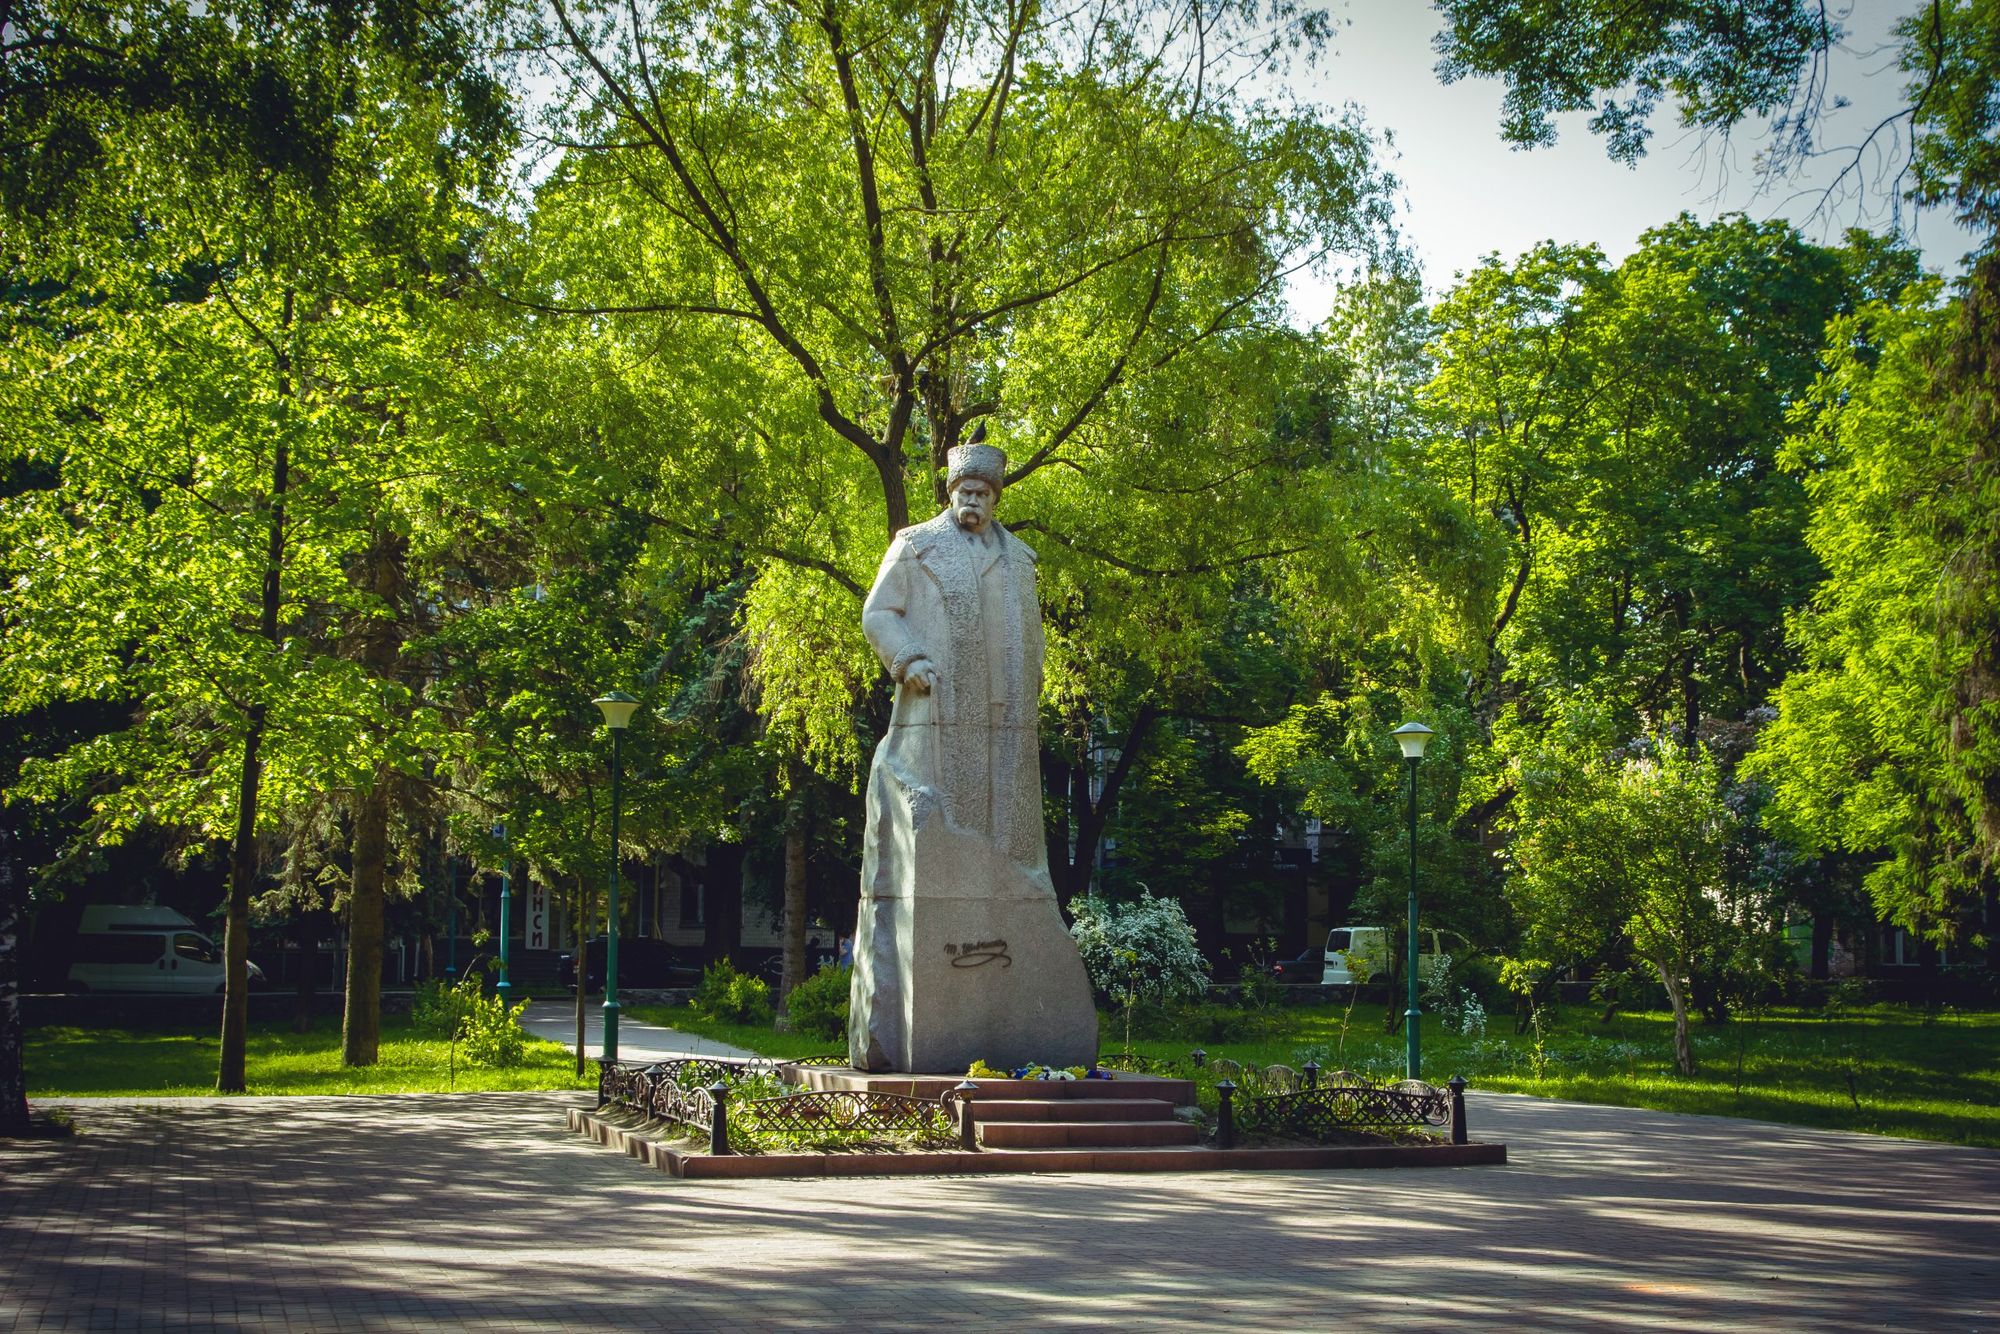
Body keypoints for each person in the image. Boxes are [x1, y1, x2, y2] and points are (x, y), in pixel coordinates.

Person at [847, 441, 1097, 1072]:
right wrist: (907, 659)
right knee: (942, 815)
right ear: (950, 493)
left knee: (1005, 826)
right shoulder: (915, 546)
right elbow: (879, 611)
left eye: (983, 495)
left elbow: (1032, 636)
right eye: (964, 493)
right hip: (938, 707)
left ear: (995, 499)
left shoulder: (1019, 560)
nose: (972, 503)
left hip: (1005, 717)